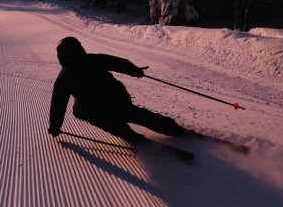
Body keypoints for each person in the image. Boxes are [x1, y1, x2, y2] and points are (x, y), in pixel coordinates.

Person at [48, 36, 192, 143]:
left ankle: (126, 133)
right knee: (136, 114)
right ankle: (175, 129)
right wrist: (135, 71)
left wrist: (55, 127)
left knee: (81, 110)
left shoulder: (63, 78)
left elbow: (58, 106)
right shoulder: (93, 59)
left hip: (99, 110)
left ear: (60, 56)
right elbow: (118, 62)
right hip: (119, 99)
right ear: (78, 47)